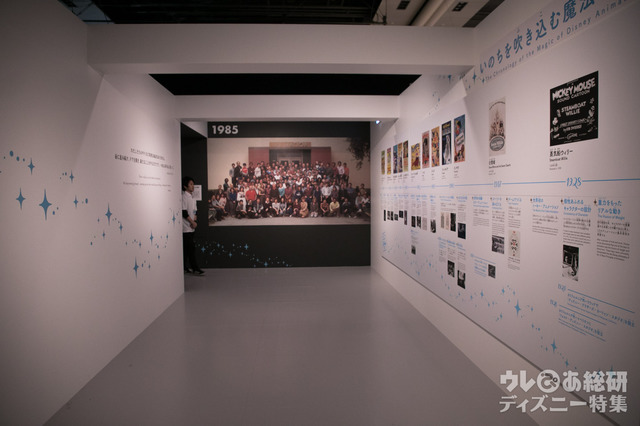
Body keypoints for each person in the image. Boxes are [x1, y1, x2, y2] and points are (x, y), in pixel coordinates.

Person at [182, 176, 204, 275]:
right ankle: (195, 268)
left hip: (191, 228)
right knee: (190, 248)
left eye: (193, 184)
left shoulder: (192, 197)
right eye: (190, 184)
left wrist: (194, 220)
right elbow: (184, 212)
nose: (193, 186)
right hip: (186, 228)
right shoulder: (183, 197)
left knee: (187, 249)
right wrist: (192, 222)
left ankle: (184, 267)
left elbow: (194, 211)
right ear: (185, 186)